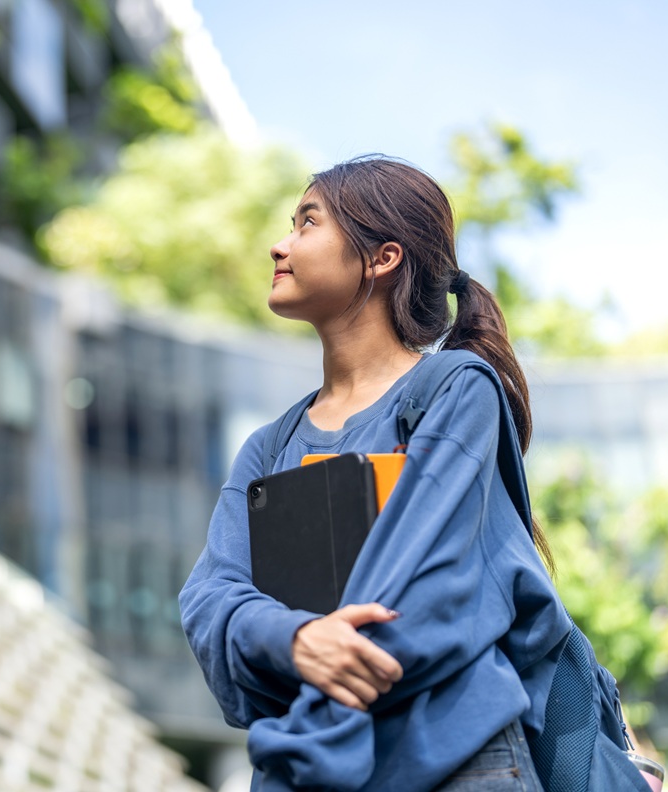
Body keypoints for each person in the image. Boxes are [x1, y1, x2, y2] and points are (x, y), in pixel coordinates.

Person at [179, 156, 573, 792]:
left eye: (308, 223)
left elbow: (423, 583)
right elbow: (208, 598)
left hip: (458, 763)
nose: (279, 245)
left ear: (381, 258)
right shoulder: (266, 447)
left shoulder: (456, 390)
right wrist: (298, 639)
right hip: (314, 766)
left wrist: (296, 675)